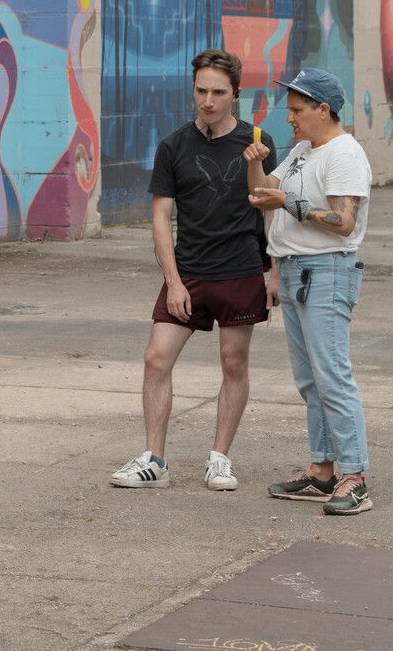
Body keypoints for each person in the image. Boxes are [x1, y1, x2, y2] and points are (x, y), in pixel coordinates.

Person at [110, 49, 269, 492]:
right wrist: (174, 281)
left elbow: (268, 211)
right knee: (156, 358)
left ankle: (219, 458)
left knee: (233, 363)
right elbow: (162, 219)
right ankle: (155, 460)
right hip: (192, 272)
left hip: (240, 269)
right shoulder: (174, 146)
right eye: (201, 90)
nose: (208, 100)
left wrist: (272, 272)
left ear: (236, 94)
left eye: (218, 92)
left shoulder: (258, 141)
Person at [246, 68, 375, 516]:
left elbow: (344, 222)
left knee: (333, 376)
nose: (290, 118)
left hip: (328, 272)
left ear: (324, 109)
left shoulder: (344, 154)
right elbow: (263, 195)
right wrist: (254, 162)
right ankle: (322, 474)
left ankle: (354, 477)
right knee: (310, 380)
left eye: (298, 110)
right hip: (297, 271)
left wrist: (288, 204)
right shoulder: (304, 150)